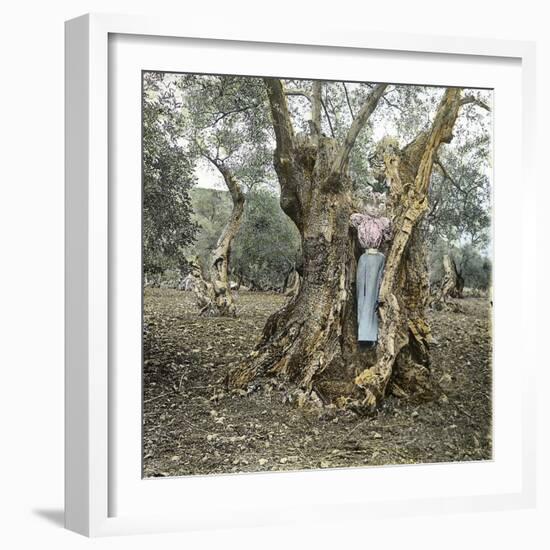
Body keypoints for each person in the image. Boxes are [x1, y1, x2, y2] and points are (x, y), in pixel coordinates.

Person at [350, 194, 391, 345]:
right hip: (364, 258)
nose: (373, 208)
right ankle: (362, 333)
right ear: (364, 206)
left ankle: (369, 336)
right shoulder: (360, 219)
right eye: (369, 205)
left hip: (376, 258)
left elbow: (387, 238)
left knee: (372, 297)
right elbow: (352, 221)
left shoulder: (382, 223)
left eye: (376, 205)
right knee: (361, 294)